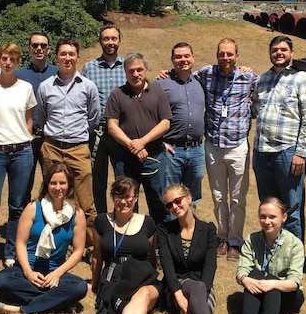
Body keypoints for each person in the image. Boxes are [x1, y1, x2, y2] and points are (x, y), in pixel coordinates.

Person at [0, 163, 88, 314]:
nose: (58, 187)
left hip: (54, 272)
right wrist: (29, 273)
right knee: (2, 280)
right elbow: (21, 244)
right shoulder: (33, 208)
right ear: (47, 184)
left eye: (62, 183)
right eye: (53, 183)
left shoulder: (77, 214)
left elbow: (78, 251)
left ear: (69, 185)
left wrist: (57, 274)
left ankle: (20, 308)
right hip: (26, 269)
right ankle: (56, 301)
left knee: (80, 287)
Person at [194, 38, 257, 260]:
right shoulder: (205, 74)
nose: (226, 58)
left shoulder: (248, 77)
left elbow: (264, 91)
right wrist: (165, 73)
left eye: (230, 54)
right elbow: (183, 79)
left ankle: (236, 241)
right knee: (218, 196)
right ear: (217, 55)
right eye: (222, 54)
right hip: (212, 145)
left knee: (238, 197)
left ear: (237, 56)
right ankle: (222, 237)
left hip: (238, 145)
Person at [0, 43, 36, 277]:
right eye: (4, 58)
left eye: (12, 59)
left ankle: (11, 254)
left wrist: (23, 138)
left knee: (17, 207)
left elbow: (29, 120)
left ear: (18, 61)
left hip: (22, 151)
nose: (8, 62)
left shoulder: (26, 88)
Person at [91, 177, 164, 314]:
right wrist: (94, 284)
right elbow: (97, 258)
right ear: (112, 197)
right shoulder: (101, 221)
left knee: (144, 294)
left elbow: (152, 258)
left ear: (136, 197)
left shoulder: (147, 223)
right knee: (128, 298)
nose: (123, 201)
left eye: (128, 197)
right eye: (118, 196)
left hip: (142, 277)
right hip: (114, 277)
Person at [251, 35, 306, 242]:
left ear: (291, 53)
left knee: (292, 209)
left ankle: (294, 260)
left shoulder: (302, 78)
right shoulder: (263, 80)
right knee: (269, 209)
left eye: (283, 50)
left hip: (288, 153)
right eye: (275, 50)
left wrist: (301, 153)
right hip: (261, 153)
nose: (279, 53)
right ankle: (273, 252)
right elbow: (255, 111)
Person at [37, 39, 100, 245]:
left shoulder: (88, 86)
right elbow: (42, 116)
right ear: (56, 57)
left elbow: (93, 117)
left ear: (77, 57)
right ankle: (56, 242)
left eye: (71, 54)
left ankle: (88, 245)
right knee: (53, 198)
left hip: (78, 149)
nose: (67, 58)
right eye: (63, 54)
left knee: (85, 201)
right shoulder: (45, 87)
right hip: (52, 147)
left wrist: (77, 135)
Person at [158, 184, 226, 314]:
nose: (174, 206)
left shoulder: (208, 230)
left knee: (199, 291)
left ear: (189, 198)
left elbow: (210, 267)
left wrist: (203, 291)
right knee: (198, 295)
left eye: (178, 200)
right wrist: (179, 296)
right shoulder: (165, 231)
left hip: (202, 287)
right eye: (169, 205)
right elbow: (167, 267)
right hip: (174, 287)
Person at [106, 52, 172, 226]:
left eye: (139, 70)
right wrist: (132, 145)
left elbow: (165, 123)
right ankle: (128, 242)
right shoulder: (117, 94)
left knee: (158, 202)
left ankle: (159, 246)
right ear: (125, 72)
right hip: (125, 158)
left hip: (154, 157)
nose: (136, 74)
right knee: (125, 201)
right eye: (131, 71)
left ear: (146, 70)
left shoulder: (158, 92)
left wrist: (142, 142)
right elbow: (112, 126)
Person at [236, 197, 305, 314]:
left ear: (284, 218)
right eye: (263, 216)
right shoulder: (251, 239)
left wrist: (272, 284)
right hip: (259, 290)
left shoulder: (295, 244)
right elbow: (242, 271)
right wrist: (244, 279)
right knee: (253, 274)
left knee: (272, 279)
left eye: (272, 217)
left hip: (288, 295)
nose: (267, 221)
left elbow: (294, 282)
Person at [154, 43, 206, 208]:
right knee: (171, 195)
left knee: (193, 196)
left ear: (193, 58)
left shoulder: (200, 81)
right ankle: (171, 232)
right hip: (172, 150)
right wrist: (160, 143)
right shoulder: (161, 84)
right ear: (172, 60)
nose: (183, 60)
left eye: (186, 56)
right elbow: (150, 114)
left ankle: (190, 230)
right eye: (178, 57)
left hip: (197, 150)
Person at [81, 25, 125, 214]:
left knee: (124, 181)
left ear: (119, 41)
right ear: (100, 42)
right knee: (96, 182)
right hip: (97, 133)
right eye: (106, 39)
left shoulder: (128, 66)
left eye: (113, 39)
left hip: (122, 133)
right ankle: (100, 222)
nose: (110, 43)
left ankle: (125, 221)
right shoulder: (89, 68)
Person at [17, 32, 58, 198]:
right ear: (29, 49)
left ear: (48, 49)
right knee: (24, 185)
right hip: (27, 138)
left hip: (51, 139)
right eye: (35, 45)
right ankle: (24, 222)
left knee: (54, 184)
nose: (39, 48)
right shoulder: (18, 76)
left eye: (43, 45)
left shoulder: (59, 73)